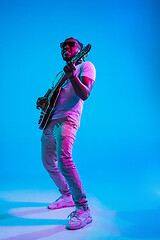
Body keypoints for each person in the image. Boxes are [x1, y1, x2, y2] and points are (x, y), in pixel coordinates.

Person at [36, 37, 96, 230]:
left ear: (80, 49)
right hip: (50, 119)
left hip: (68, 119)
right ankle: (67, 195)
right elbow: (51, 93)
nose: (66, 47)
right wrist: (43, 99)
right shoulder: (59, 74)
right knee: (48, 162)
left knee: (64, 160)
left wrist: (72, 77)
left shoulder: (86, 66)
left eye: (71, 44)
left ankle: (83, 209)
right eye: (63, 45)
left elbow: (85, 93)